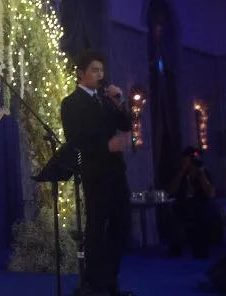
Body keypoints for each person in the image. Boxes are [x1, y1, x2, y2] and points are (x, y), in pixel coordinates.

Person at [60, 50, 133, 296]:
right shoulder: (71, 103)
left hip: (116, 170)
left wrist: (119, 101)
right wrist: (105, 146)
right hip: (95, 171)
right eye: (94, 70)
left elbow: (126, 125)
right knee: (97, 226)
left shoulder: (106, 100)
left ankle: (110, 279)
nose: (100, 75)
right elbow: (75, 140)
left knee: (121, 224)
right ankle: (92, 283)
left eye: (101, 70)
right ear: (81, 73)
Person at [167, 146, 215, 259]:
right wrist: (183, 170)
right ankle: (175, 250)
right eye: (190, 158)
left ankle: (200, 250)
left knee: (201, 215)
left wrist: (201, 175)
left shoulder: (203, 173)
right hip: (182, 204)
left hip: (199, 205)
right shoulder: (180, 172)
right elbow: (171, 190)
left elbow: (211, 194)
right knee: (177, 214)